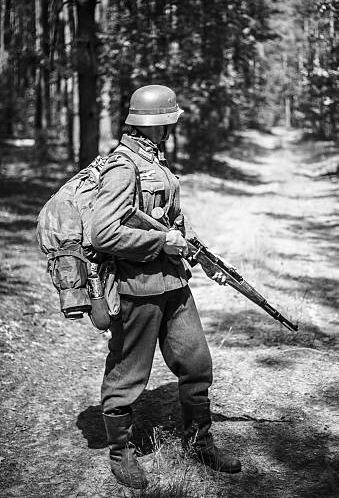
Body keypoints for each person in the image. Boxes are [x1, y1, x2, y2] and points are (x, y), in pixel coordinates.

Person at [91, 85, 241, 490]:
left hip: (174, 285)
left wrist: (202, 258)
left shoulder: (153, 160)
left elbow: (171, 220)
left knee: (196, 365)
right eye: (170, 121)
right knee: (128, 376)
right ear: (157, 123)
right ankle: (121, 451)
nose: (172, 127)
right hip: (136, 289)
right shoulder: (123, 167)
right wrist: (160, 242)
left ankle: (199, 442)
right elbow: (104, 233)